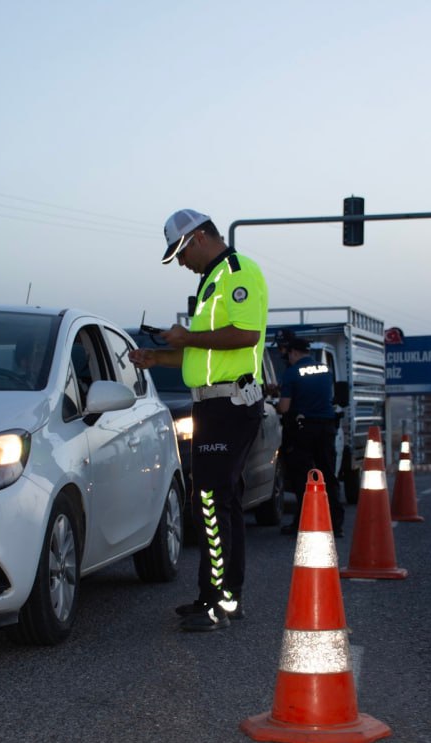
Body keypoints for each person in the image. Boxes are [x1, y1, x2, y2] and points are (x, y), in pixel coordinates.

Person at [128, 209, 268, 632]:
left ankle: (219, 603)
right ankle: (220, 597)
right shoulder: (212, 279)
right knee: (217, 500)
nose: (182, 262)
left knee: (210, 499)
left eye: (182, 253)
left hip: (231, 404)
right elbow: (207, 353)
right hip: (213, 405)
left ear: (200, 238)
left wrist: (186, 337)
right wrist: (158, 357)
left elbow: (246, 335)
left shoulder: (239, 273)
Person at [277, 336, 344, 537]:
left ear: (294, 353)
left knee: (303, 479)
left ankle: (304, 523)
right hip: (326, 428)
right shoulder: (324, 370)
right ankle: (336, 524)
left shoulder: (291, 373)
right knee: (328, 476)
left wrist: (275, 405)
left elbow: (285, 407)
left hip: (303, 430)